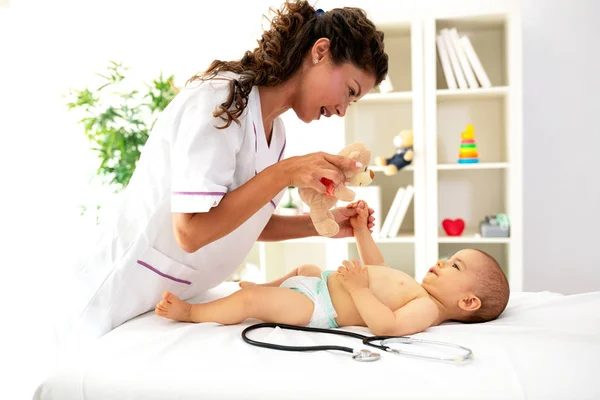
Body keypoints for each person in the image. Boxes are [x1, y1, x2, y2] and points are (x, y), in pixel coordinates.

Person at [64, 0, 389, 341]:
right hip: (115, 296)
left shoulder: (275, 134)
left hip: (170, 300)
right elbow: (191, 232)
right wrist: (287, 173)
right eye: (348, 92)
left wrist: (321, 225)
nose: (341, 110)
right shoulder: (221, 101)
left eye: (352, 103)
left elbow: (243, 222)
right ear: (320, 51)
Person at [156, 200, 511, 335]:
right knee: (306, 267)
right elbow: (375, 266)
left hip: (318, 309)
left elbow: (386, 326)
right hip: (319, 285)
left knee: (252, 306)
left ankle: (193, 312)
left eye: (454, 266)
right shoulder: (416, 290)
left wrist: (357, 290)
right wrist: (359, 230)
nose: (440, 262)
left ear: (467, 302)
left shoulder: (425, 309)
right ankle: (266, 287)